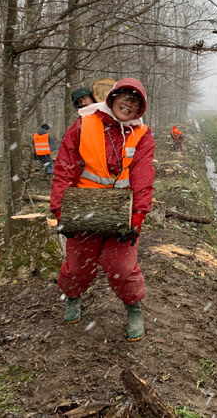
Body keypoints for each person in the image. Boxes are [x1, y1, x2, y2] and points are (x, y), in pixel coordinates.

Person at [50, 78, 155, 341]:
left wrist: (138, 216)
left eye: (135, 101)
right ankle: (73, 297)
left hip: (122, 211)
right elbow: (65, 168)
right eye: (124, 97)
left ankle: (133, 309)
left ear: (140, 108)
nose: (128, 104)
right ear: (112, 98)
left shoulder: (142, 134)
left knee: (120, 265)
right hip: (81, 208)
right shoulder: (83, 125)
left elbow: (143, 176)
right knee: (77, 266)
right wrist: (61, 212)